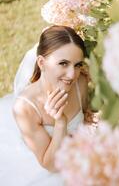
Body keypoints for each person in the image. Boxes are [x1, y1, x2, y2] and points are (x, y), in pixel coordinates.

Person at [0, 25, 92, 186]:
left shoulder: (80, 83)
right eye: (63, 63)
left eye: (77, 65)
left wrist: (91, 121)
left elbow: (86, 115)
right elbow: (50, 165)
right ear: (42, 63)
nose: (72, 75)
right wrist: (60, 123)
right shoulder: (25, 108)